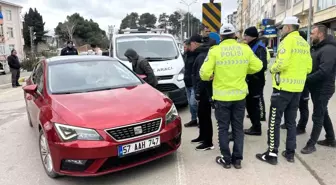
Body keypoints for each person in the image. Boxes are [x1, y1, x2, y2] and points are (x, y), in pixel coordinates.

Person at [200, 23, 262, 169]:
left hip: (222, 98)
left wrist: (210, 76)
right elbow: (258, 66)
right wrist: (244, 70)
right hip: (239, 96)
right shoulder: (245, 49)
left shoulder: (215, 50)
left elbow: (203, 73)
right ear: (235, 35)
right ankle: (237, 160)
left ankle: (226, 159)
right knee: (238, 128)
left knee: (223, 128)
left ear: (221, 36)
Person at [256, 16, 312, 165]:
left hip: (282, 88)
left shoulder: (287, 41)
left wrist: (272, 69)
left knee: (274, 120)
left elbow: (282, 63)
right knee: (291, 121)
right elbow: (309, 68)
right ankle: (290, 153)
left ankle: (272, 154)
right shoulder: (304, 43)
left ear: (288, 27)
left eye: (282, 28)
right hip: (297, 89)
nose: (281, 31)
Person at [301, 24, 336, 154]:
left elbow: (324, 71)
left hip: (323, 88)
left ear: (320, 34)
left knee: (318, 115)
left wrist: (306, 79)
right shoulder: (318, 48)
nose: (310, 36)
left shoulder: (329, 50)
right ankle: (331, 139)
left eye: (312, 34)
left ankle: (311, 144)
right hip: (316, 87)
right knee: (323, 113)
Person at [280, 31, 310, 135]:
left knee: (303, 106)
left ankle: (302, 127)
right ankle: (288, 123)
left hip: (304, 82)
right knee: (292, 105)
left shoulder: (305, 49)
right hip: (297, 82)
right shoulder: (302, 49)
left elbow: (309, 68)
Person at [188, 34, 214, 150]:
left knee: (205, 116)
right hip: (201, 90)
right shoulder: (200, 54)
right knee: (201, 115)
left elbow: (202, 77)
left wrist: (198, 92)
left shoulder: (203, 56)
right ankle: (202, 136)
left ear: (195, 43)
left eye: (191, 43)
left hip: (204, 91)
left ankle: (208, 142)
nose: (190, 46)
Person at [243, 26, 268, 136]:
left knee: (254, 105)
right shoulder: (251, 45)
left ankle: (257, 127)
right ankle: (255, 125)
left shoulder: (259, 47)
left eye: (246, 35)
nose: (244, 37)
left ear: (251, 36)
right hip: (251, 80)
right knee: (250, 105)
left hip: (255, 81)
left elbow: (262, 65)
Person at [183, 39, 199, 128]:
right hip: (187, 82)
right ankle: (194, 119)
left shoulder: (196, 55)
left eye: (185, 47)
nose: (184, 48)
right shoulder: (185, 55)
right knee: (190, 104)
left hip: (193, 83)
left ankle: (200, 119)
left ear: (190, 46)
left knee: (193, 103)